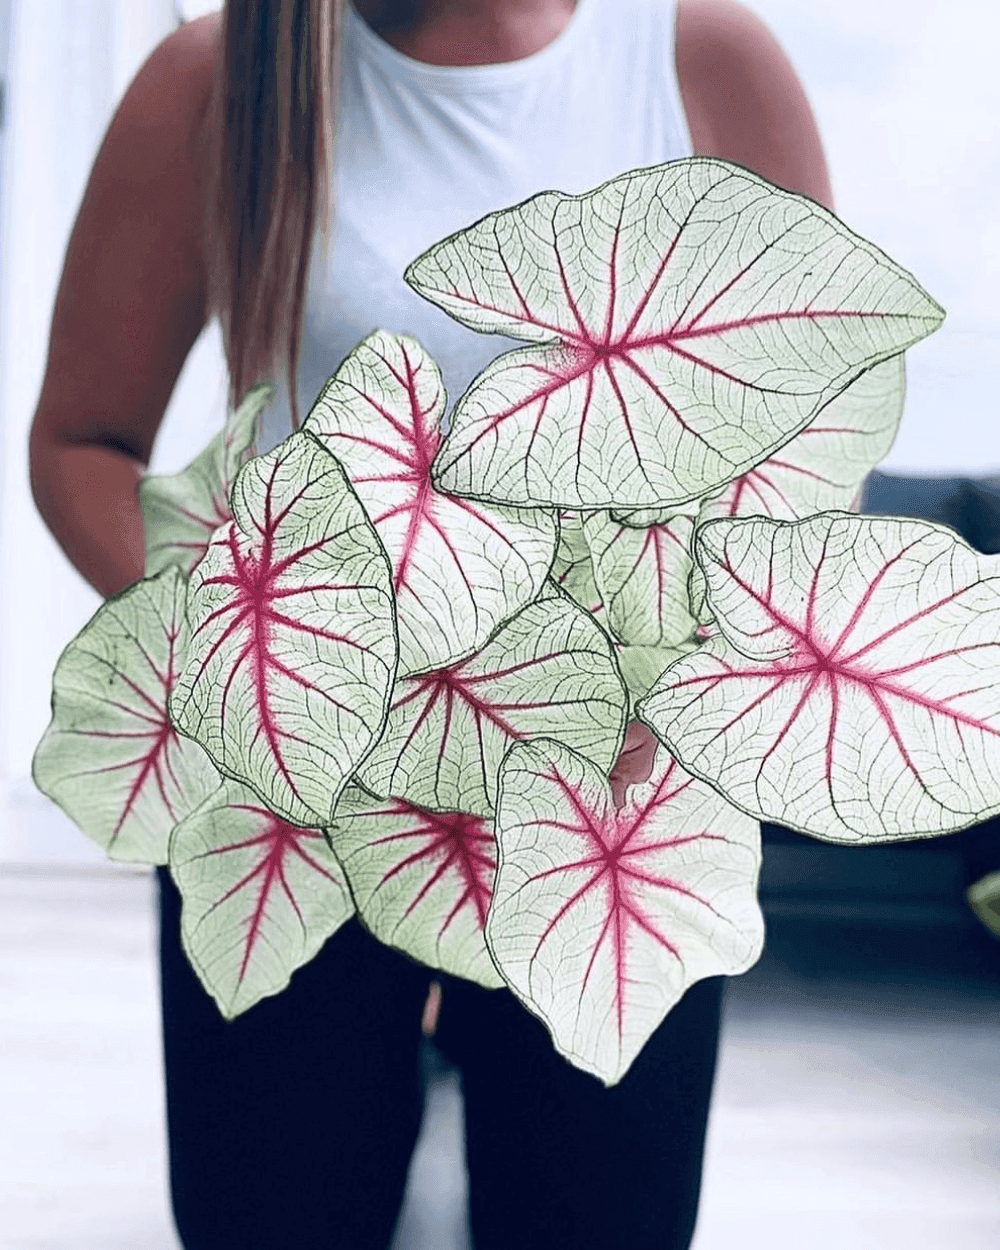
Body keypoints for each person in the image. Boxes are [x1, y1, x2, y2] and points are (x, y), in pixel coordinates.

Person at [29, 2, 833, 1247]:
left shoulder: (696, 60)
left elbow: (797, 459)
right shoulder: (227, 76)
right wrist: (268, 662)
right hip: (296, 804)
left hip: (614, 809)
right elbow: (82, 439)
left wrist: (675, 682)